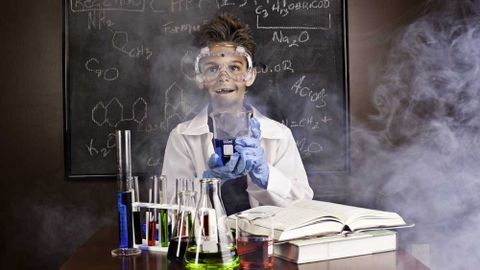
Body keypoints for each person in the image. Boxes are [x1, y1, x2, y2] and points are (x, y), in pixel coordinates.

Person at [161, 13, 313, 214]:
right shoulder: (182, 138)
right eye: (212, 68)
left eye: (234, 67)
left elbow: (304, 207)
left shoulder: (279, 135)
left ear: (250, 76)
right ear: (200, 78)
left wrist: (266, 176)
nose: (224, 78)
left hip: (266, 243)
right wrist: (209, 185)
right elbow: (171, 214)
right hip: (208, 245)